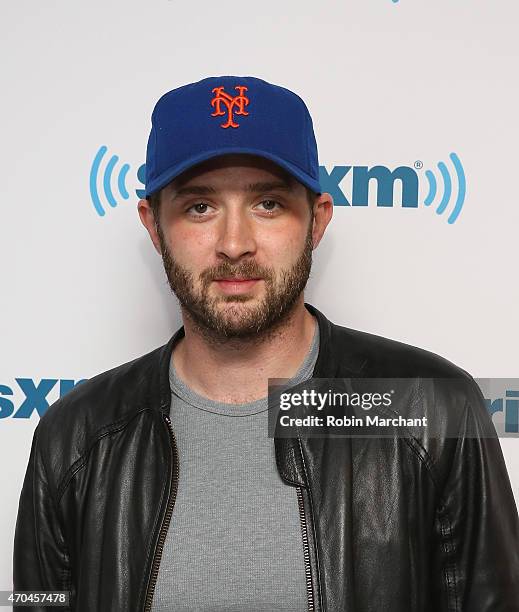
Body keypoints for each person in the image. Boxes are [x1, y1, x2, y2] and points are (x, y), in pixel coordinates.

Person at [13, 75, 519, 612]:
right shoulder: (72, 439)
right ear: (154, 226)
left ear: (317, 221)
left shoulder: (432, 409)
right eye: (200, 208)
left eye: (269, 204)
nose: (235, 245)